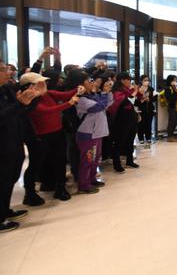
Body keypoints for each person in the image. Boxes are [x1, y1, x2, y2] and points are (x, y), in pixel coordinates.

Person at [23, 72, 81, 203]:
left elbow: (65, 95)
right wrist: (70, 103)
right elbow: (47, 110)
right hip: (40, 136)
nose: (44, 84)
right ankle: (30, 193)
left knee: (59, 160)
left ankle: (60, 187)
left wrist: (78, 89)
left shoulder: (47, 93)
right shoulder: (29, 100)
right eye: (40, 82)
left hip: (57, 132)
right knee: (36, 164)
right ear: (30, 86)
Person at [0, 60, 41, 232]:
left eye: (7, 69)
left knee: (11, 177)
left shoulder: (8, 89)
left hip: (15, 140)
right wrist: (20, 104)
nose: (8, 72)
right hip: (2, 144)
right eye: (3, 70)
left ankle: (5, 210)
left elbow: (22, 111)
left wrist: (32, 99)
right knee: (2, 180)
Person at [75, 71, 113, 194]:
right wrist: (104, 94)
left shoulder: (93, 95)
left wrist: (104, 93)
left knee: (95, 159)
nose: (91, 83)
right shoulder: (81, 99)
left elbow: (106, 104)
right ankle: (84, 185)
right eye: (88, 81)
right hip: (87, 133)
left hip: (97, 132)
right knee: (87, 160)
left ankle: (92, 179)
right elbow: (98, 107)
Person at [108, 72, 140, 172]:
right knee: (120, 141)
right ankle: (116, 164)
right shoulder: (117, 90)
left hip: (130, 117)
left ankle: (129, 160)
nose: (130, 81)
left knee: (130, 139)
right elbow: (124, 101)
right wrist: (134, 93)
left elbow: (133, 102)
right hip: (122, 118)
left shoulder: (126, 90)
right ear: (122, 80)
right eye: (128, 79)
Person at [135, 75, 156, 145]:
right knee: (141, 124)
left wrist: (149, 99)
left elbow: (154, 98)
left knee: (148, 124)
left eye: (147, 80)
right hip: (141, 109)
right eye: (145, 80)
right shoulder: (138, 89)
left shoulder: (151, 89)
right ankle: (141, 138)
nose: (146, 82)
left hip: (149, 109)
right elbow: (136, 101)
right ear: (141, 81)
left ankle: (148, 137)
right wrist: (142, 100)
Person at [163, 75, 177, 142]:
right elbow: (169, 98)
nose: (175, 81)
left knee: (176, 121)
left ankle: (172, 134)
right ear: (170, 81)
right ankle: (169, 136)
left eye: (176, 80)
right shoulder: (168, 88)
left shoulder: (175, 87)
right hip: (172, 106)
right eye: (174, 80)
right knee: (172, 121)